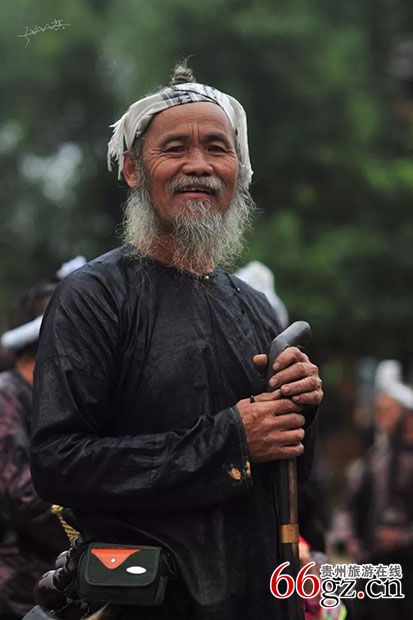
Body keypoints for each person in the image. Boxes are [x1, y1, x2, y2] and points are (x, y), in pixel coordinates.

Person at [30, 65, 323, 619]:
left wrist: (299, 412)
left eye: (217, 147)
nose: (199, 165)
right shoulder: (94, 296)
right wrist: (231, 441)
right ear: (133, 170)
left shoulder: (258, 309)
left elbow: (290, 482)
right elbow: (58, 463)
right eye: (175, 148)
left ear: (239, 170)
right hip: (144, 599)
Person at [0, 280, 69, 620]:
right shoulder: (5, 398)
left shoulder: (48, 399)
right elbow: (26, 497)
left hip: (46, 581)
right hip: (15, 587)